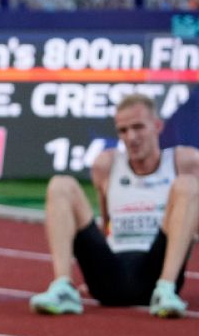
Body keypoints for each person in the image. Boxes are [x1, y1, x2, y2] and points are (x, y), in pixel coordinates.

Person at [29, 94, 199, 318]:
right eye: (123, 130)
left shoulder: (184, 161)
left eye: (138, 127)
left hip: (158, 269)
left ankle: (165, 291)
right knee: (60, 184)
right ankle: (63, 287)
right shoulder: (106, 164)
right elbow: (105, 223)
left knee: (187, 184)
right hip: (110, 275)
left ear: (158, 126)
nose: (131, 137)